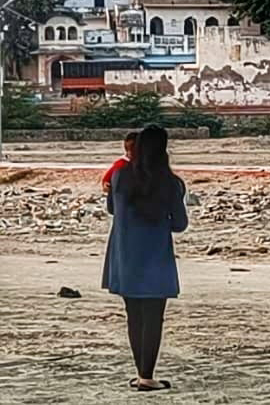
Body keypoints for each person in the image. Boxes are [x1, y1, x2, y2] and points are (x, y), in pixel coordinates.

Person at [102, 125, 189, 392]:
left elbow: (112, 209)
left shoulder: (120, 177)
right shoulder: (171, 183)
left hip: (124, 253)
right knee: (153, 316)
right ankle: (146, 375)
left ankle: (141, 373)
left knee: (134, 315)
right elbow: (180, 224)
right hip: (155, 256)